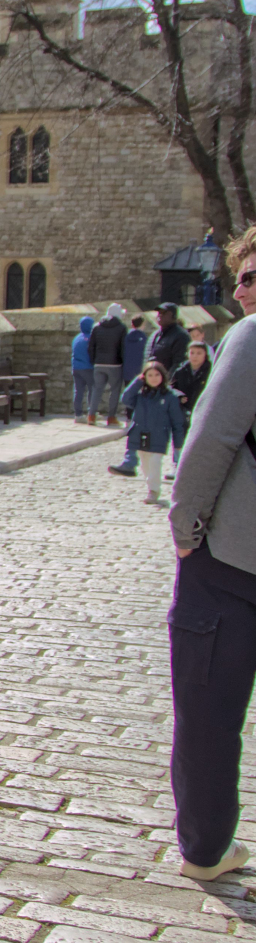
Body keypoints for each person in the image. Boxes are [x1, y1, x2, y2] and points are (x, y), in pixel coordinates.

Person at [165, 223, 256, 882]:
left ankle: (205, 851)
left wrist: (184, 529)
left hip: (231, 564)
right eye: (242, 277)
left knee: (208, 714)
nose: (247, 290)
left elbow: (210, 443)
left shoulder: (250, 336)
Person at [110, 359, 185, 501]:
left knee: (155, 462)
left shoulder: (170, 397)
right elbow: (126, 398)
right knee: (145, 464)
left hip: (159, 436)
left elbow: (177, 422)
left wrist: (178, 443)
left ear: (162, 376)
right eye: (150, 375)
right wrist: (137, 381)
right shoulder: (140, 395)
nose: (154, 378)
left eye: (157, 375)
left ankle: (153, 490)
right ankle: (150, 486)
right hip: (140, 435)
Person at [171, 341, 212, 470]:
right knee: (180, 436)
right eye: (192, 353)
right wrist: (178, 396)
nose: (195, 356)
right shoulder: (181, 371)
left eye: (199, 353)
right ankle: (178, 465)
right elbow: (171, 388)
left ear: (205, 355)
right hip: (183, 410)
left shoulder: (211, 371)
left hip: (203, 410)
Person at [89, 303, 127, 426]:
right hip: (114, 364)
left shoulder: (97, 327)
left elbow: (91, 346)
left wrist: (93, 360)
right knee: (115, 390)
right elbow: (123, 347)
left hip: (98, 363)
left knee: (97, 389)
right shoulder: (121, 327)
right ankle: (111, 417)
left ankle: (91, 415)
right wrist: (122, 361)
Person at [71, 315, 97, 421]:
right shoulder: (91, 338)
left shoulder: (77, 338)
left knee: (78, 391)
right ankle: (91, 412)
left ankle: (78, 414)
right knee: (92, 390)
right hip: (88, 367)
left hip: (76, 367)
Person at [149, 303, 187, 371]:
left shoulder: (181, 336)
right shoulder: (157, 334)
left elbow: (179, 364)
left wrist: (167, 380)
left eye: (163, 312)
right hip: (155, 378)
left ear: (173, 315)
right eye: (159, 312)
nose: (160, 315)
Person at [124, 313, 150, 380]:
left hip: (125, 370)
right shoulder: (144, 338)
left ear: (132, 324)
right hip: (139, 370)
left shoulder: (125, 336)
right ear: (143, 324)